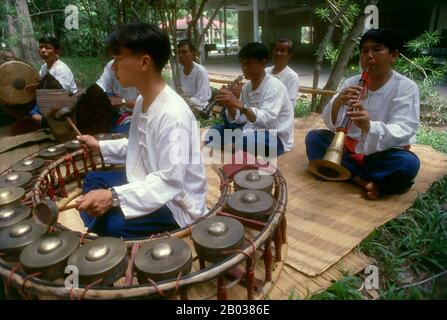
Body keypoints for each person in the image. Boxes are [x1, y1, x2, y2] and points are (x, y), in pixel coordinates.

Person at [76, 23, 207, 238]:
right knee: (92, 180)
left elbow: (170, 181)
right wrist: (99, 145)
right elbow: (137, 144)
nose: (113, 67)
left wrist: (113, 197)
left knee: (113, 225)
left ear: (144, 62)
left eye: (118, 59)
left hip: (176, 202)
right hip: (146, 178)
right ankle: (103, 222)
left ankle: (103, 225)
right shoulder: (141, 100)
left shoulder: (174, 114)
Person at [305, 28, 420, 200]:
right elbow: (332, 123)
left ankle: (347, 173)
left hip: (382, 152)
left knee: (408, 164)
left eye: (377, 49)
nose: (369, 56)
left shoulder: (406, 87)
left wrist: (369, 126)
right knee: (314, 138)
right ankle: (364, 181)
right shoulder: (352, 82)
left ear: (393, 56)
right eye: (365, 51)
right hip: (348, 147)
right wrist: (337, 103)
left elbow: (404, 128)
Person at [205, 42, 294, 157]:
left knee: (254, 140)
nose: (245, 68)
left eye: (249, 64)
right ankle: (235, 146)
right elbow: (240, 119)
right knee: (214, 131)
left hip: (274, 137)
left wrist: (238, 103)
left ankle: (232, 145)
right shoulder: (247, 86)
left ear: (263, 63)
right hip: (250, 131)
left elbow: (266, 119)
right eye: (243, 64)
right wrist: (230, 105)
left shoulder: (275, 87)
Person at [30, 36, 78, 126]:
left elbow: (62, 93)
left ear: (56, 52)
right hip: (50, 98)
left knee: (38, 112)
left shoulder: (61, 69)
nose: (43, 50)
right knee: (32, 111)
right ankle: (48, 122)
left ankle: (52, 123)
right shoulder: (44, 67)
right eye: (41, 47)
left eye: (48, 48)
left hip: (67, 100)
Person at [96, 59, 139, 133]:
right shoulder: (112, 66)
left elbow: (145, 105)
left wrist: (123, 101)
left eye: (117, 59)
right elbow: (98, 88)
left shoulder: (141, 76)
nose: (112, 67)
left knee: (116, 132)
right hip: (121, 112)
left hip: (136, 117)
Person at [177, 39, 212, 111]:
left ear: (193, 55)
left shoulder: (201, 72)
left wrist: (183, 100)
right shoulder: (178, 70)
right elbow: (172, 89)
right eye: (179, 52)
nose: (180, 55)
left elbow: (201, 98)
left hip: (199, 109)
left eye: (184, 52)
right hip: (182, 106)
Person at [265, 38, 299, 107]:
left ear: (290, 55)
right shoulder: (265, 71)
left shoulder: (292, 77)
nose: (278, 53)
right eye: (276, 50)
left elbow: (290, 104)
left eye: (282, 51)